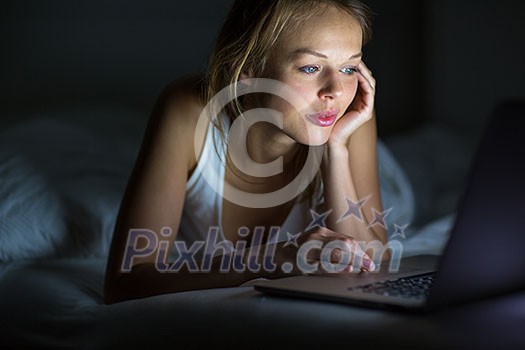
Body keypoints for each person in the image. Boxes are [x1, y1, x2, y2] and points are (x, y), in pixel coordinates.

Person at [104, 0, 390, 304]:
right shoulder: (188, 111)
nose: (335, 90)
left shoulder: (347, 115)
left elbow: (373, 267)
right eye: (311, 67)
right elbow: (124, 283)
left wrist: (336, 149)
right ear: (248, 68)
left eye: (348, 68)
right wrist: (272, 259)